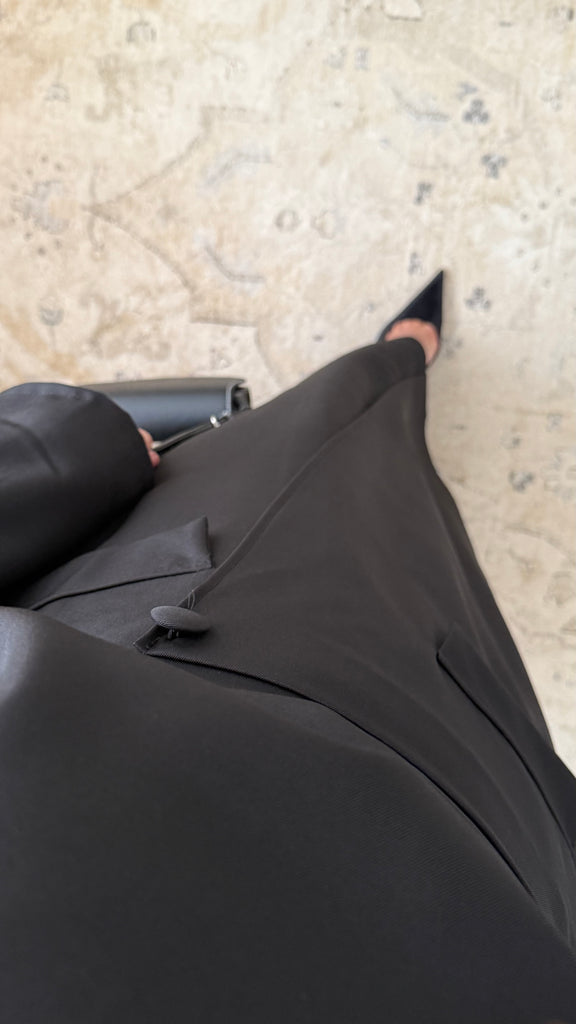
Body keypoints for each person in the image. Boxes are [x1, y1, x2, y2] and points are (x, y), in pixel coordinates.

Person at [0, 273, 575, 1024]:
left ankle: (397, 366)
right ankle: (397, 362)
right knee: (346, 440)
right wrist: (77, 445)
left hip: (494, 902)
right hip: (209, 684)